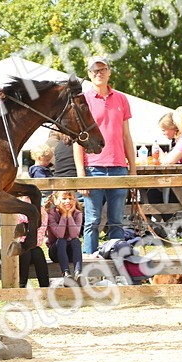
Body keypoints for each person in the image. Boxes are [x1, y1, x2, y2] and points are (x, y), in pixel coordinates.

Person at [74, 55, 135, 256]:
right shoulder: (83, 100)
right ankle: (89, 265)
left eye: (102, 69)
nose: (98, 74)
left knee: (116, 220)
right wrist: (81, 176)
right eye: (94, 71)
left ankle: (115, 263)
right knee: (92, 220)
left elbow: (127, 136)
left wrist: (132, 170)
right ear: (89, 74)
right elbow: (78, 139)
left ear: (109, 71)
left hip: (118, 166)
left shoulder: (121, 99)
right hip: (93, 166)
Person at [45, 190, 83, 283]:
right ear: (56, 201)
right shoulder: (51, 214)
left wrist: (69, 215)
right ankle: (65, 273)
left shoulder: (78, 214)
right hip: (56, 251)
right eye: (64, 198)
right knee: (61, 240)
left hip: (71, 252)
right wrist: (64, 215)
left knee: (76, 241)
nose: (67, 201)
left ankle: (78, 273)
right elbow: (59, 235)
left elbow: (74, 235)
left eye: (70, 199)